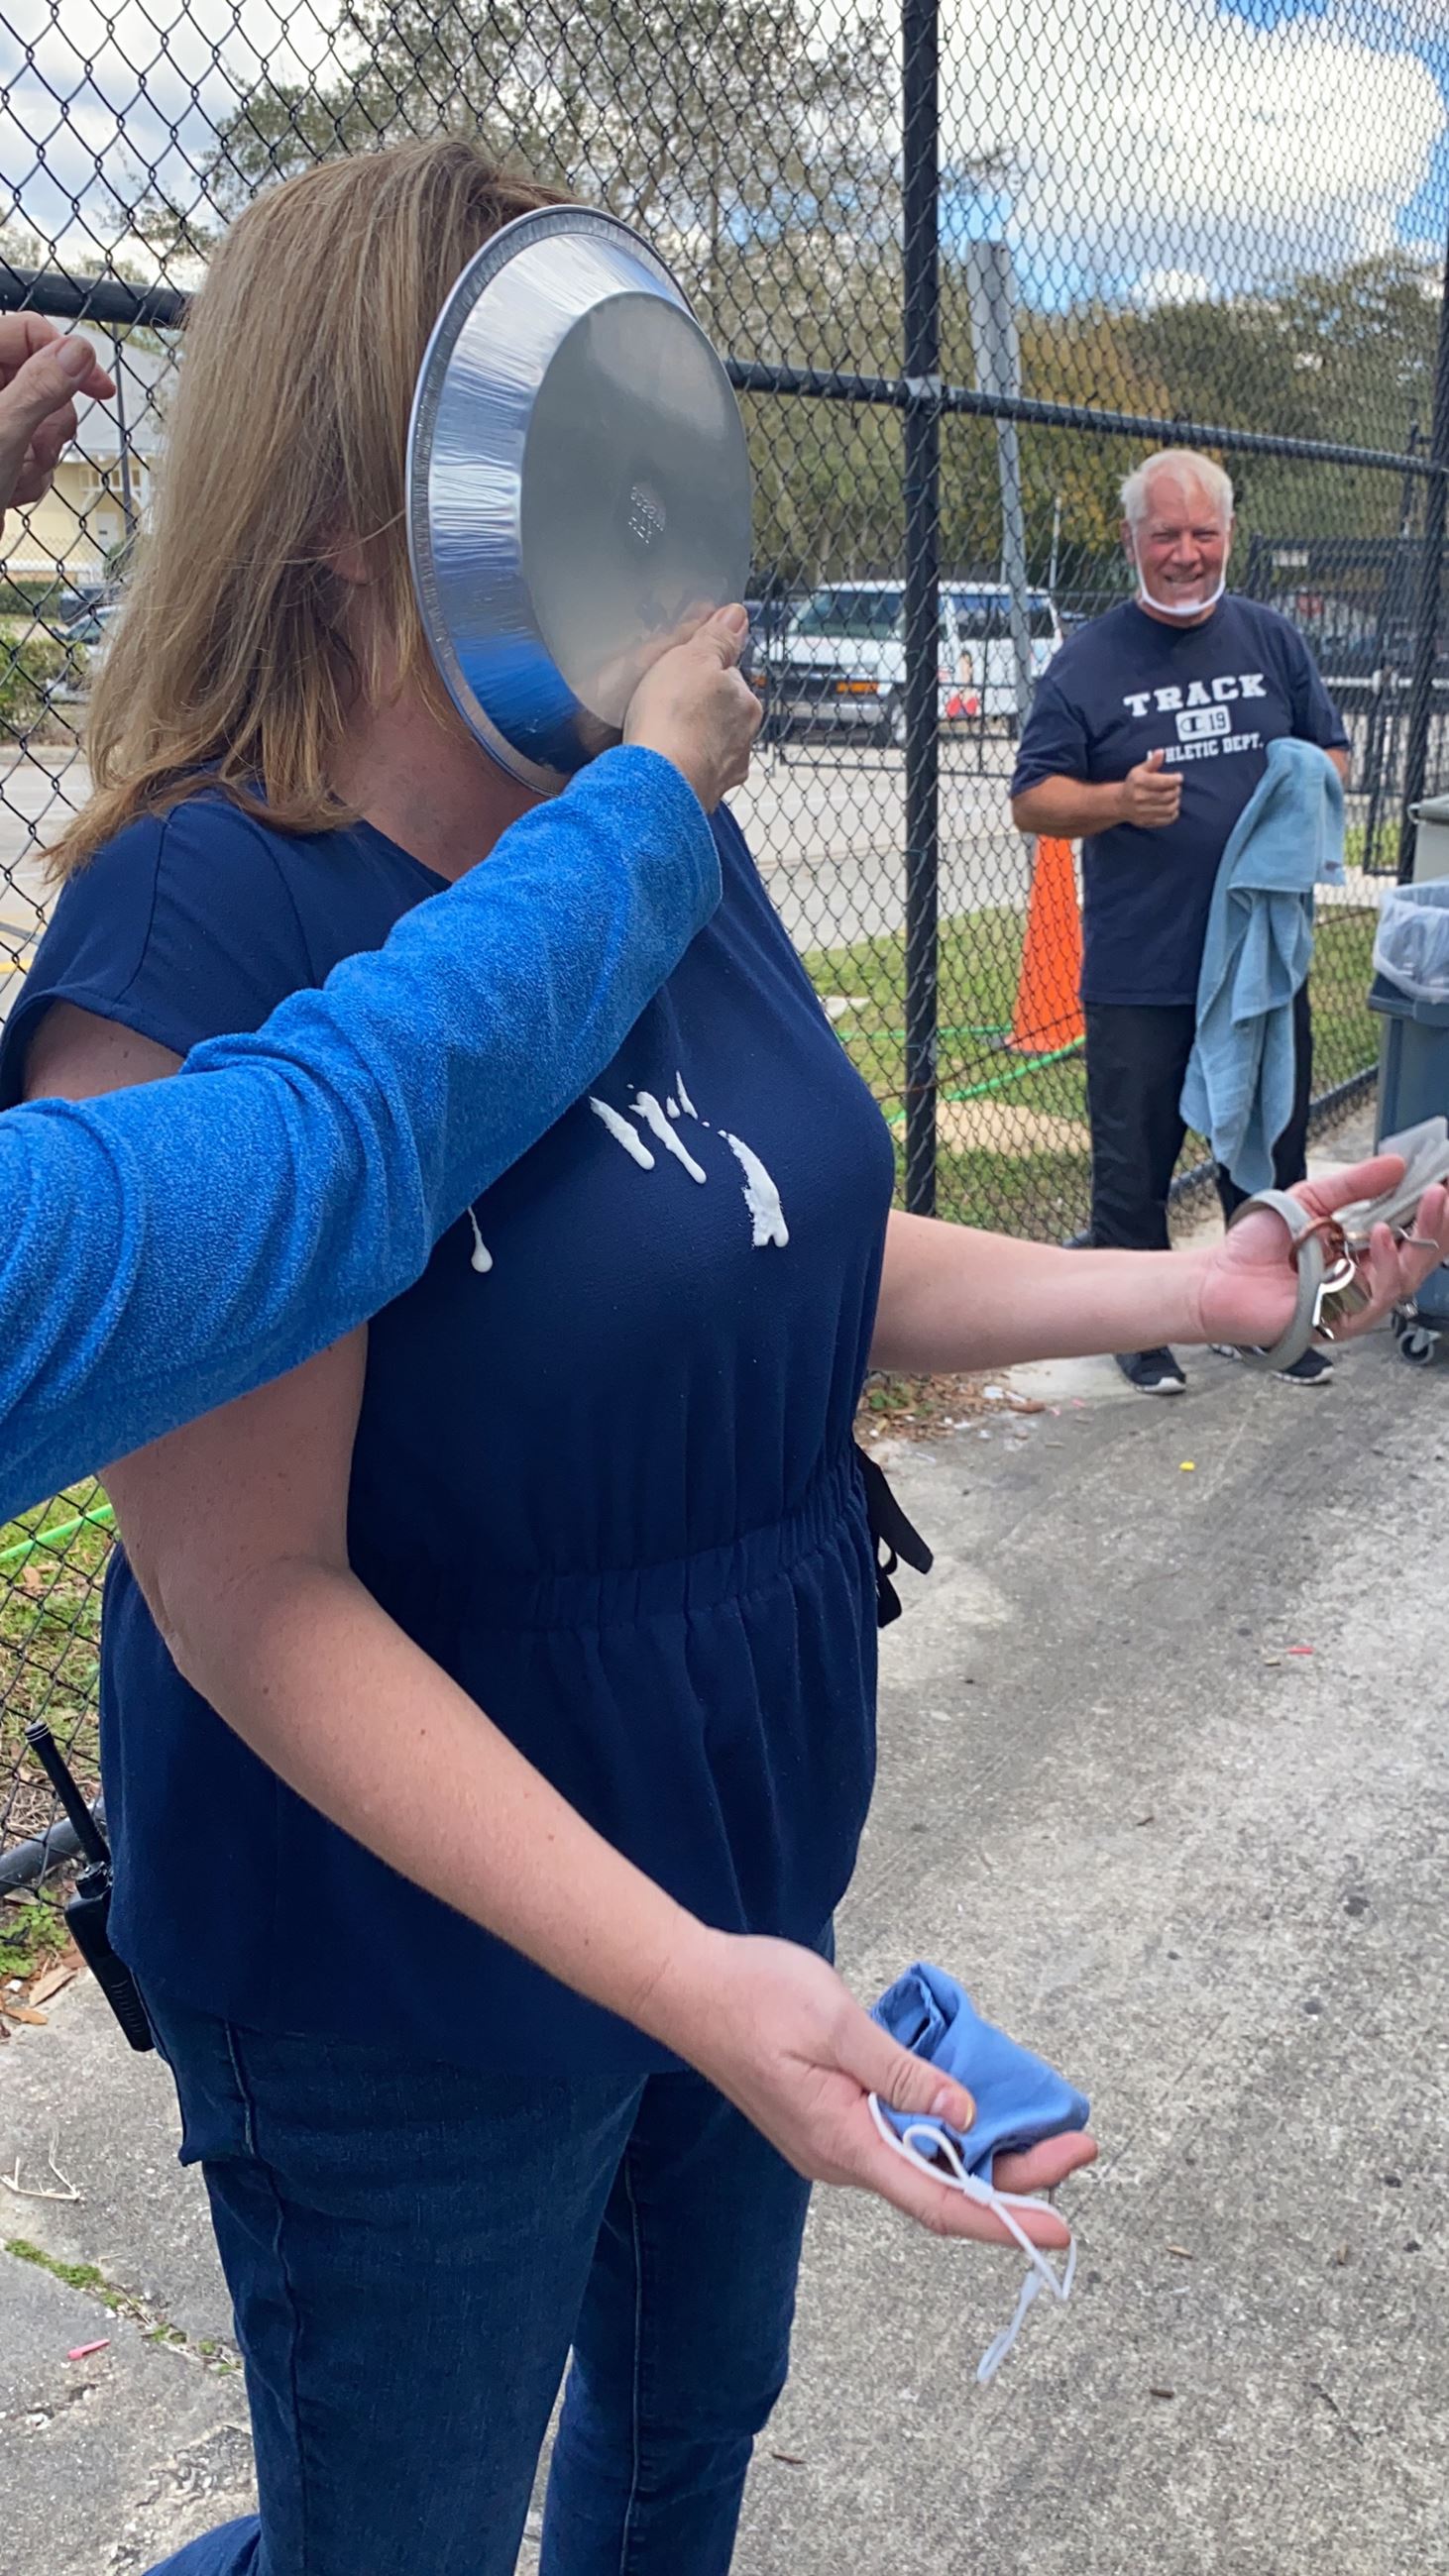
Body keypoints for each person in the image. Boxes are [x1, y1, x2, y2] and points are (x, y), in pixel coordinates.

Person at [6, 150, 1442, 2576]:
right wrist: (692, 1984)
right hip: (412, 1963)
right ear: (364, 500)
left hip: (732, 1835)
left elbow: (778, 1239)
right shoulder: (203, 908)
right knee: (405, 2536)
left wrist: (1184, 1293)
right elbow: (255, 1602)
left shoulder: (641, 812)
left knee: (683, 2449)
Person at [0, 314, 755, 1518]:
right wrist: (651, 810)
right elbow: (330, 1148)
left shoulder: (599, 793)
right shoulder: (192, 889)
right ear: (341, 521)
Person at [1010, 447, 1352, 1397]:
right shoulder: (1087, 661)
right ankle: (1141, 1329)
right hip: (1143, 960)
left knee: (1271, 1142)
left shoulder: (1272, 640)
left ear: (1229, 535)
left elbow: (1333, 753)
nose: (1188, 553)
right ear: (1133, 540)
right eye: (1167, 534)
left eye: (1204, 533)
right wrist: (1118, 799)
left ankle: (1268, 1319)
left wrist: (1305, 787)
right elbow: (1033, 800)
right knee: (1135, 1158)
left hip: (1257, 959)